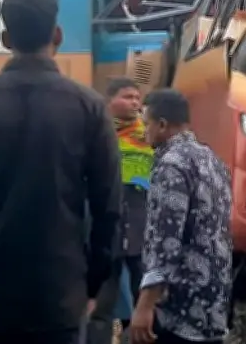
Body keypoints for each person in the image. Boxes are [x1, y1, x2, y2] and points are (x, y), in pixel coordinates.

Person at [0, 0, 123, 344]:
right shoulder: (89, 108)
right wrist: (91, 281)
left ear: (5, 38)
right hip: (57, 299)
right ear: (58, 35)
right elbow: (108, 207)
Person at [129, 89, 232, 344]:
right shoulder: (211, 159)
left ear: (162, 125)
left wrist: (144, 306)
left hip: (178, 308)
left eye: (146, 123)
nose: (144, 132)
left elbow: (166, 242)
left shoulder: (171, 165)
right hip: (213, 302)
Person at [88, 78, 153, 343]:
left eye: (138, 98)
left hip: (140, 221)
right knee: (102, 301)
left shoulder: (149, 134)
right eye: (128, 97)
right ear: (109, 101)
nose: (135, 103)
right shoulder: (97, 134)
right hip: (107, 223)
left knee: (143, 300)